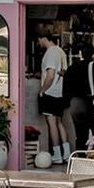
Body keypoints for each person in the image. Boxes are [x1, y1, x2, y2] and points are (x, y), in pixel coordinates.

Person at [65, 43, 94, 152]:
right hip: (93, 102)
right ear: (93, 54)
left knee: (80, 134)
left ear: (81, 54)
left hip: (76, 104)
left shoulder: (72, 68)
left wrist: (66, 102)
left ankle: (80, 156)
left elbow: (66, 88)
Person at [36, 32, 68, 164]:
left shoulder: (50, 53)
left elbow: (50, 74)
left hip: (50, 93)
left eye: (39, 40)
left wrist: (42, 90)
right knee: (60, 122)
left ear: (44, 38)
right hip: (60, 92)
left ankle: (57, 155)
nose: (38, 43)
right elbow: (63, 71)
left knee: (51, 124)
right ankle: (66, 154)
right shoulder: (61, 52)